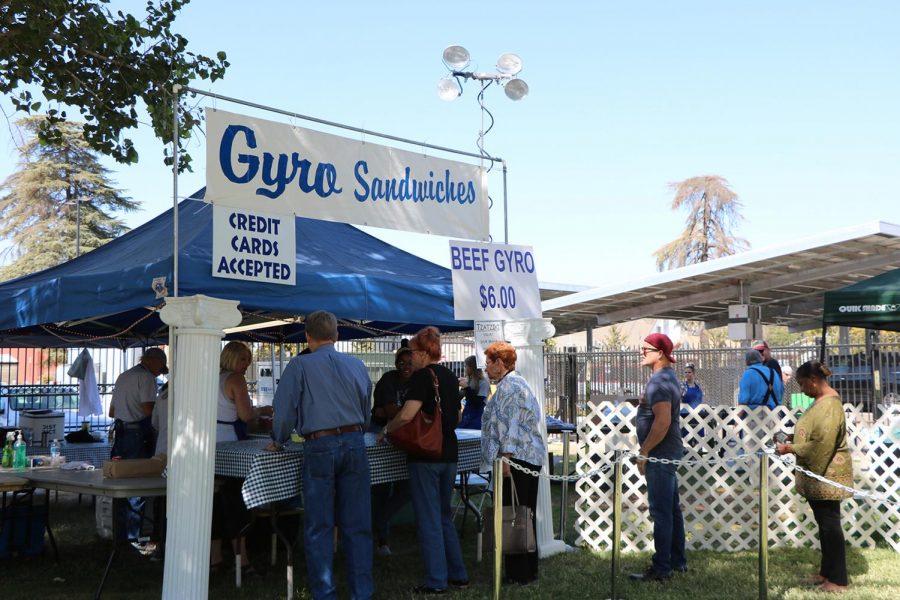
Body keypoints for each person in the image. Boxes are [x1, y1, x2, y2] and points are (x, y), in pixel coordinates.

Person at [268, 311, 374, 600]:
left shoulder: (299, 365)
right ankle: (361, 593)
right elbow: (367, 409)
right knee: (358, 525)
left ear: (307, 336)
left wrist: (278, 439)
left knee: (320, 526)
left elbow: (284, 411)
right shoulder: (356, 364)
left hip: (320, 445)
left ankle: (325, 594)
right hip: (354, 441)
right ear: (336, 335)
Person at [379, 326, 468, 594]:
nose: (412, 357)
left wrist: (386, 430)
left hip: (425, 454)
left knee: (429, 519)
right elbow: (458, 416)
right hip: (449, 452)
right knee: (443, 516)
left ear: (422, 352)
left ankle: (436, 580)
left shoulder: (421, 378)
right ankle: (458, 574)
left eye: (414, 351)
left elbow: (407, 415)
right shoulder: (451, 377)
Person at [775, 361, 853, 593]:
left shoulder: (829, 405)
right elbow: (812, 433)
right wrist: (792, 437)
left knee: (830, 526)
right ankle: (826, 572)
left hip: (827, 475)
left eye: (801, 383)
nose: (801, 389)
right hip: (820, 477)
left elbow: (822, 444)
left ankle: (838, 580)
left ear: (813, 380)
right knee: (825, 525)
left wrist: (791, 449)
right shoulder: (821, 402)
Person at [480, 341, 545, 586]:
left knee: (514, 514)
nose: (486, 367)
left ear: (500, 363)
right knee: (523, 514)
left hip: (516, 459)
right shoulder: (518, 383)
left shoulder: (509, 386)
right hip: (526, 457)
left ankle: (519, 574)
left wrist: (506, 459)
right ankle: (527, 571)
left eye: (488, 362)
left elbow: (512, 424)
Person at [211, 341, 272, 575]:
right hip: (228, 445)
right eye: (243, 359)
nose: (247, 364)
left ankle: (215, 558)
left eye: (248, 359)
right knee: (236, 502)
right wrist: (264, 410)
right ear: (231, 358)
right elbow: (246, 414)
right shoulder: (236, 379)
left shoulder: (211, 377)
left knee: (216, 503)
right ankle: (242, 559)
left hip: (210, 444)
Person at [629, 333, 687, 582]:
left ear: (660, 352)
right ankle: (677, 561)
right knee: (671, 510)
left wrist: (644, 452)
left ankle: (662, 568)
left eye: (646, 349)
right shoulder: (667, 378)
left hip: (660, 453)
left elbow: (662, 422)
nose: (642, 352)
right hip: (667, 450)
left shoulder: (659, 382)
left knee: (661, 513)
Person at [109, 347, 167, 547]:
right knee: (137, 484)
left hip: (121, 431)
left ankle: (120, 533)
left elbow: (111, 411)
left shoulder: (123, 376)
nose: (160, 372)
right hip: (137, 434)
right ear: (153, 361)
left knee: (120, 483)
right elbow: (148, 410)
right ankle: (134, 537)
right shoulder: (147, 378)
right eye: (161, 367)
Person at [370, 347, 414, 555]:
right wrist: (409, 415)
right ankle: (382, 539)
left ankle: (377, 522)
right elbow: (391, 413)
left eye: (410, 363)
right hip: (381, 436)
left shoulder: (419, 381)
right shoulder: (388, 380)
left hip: (407, 440)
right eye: (402, 363)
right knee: (381, 487)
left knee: (407, 488)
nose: (406, 367)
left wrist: (403, 416)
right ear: (396, 364)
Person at [457, 355, 490, 430]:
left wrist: (467, 387)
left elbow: (478, 402)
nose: (465, 369)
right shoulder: (470, 380)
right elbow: (460, 396)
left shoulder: (483, 381)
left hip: (476, 416)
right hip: (467, 414)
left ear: (472, 367)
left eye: (466, 366)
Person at [679, 363, 704, 447]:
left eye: (689, 372)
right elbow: (678, 399)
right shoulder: (682, 386)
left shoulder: (699, 386)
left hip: (698, 416)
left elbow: (701, 399)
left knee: (698, 440)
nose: (687, 374)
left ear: (693, 373)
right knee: (687, 439)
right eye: (685, 372)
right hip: (686, 416)